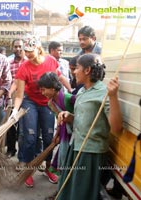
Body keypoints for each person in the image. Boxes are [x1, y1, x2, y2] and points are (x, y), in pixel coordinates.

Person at [56, 53, 123, 200]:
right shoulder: (81, 90)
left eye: (77, 68)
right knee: (68, 190)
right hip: (76, 148)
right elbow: (85, 119)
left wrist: (113, 97)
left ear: (87, 70)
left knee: (81, 194)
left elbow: (116, 128)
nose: (74, 71)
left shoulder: (104, 92)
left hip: (90, 153)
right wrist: (69, 117)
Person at [9, 35, 72, 187]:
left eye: (31, 51)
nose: (28, 54)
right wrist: (15, 111)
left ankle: (48, 166)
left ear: (38, 49)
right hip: (30, 101)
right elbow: (19, 94)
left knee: (49, 136)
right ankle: (29, 170)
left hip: (48, 103)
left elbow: (60, 77)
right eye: (26, 51)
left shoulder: (51, 60)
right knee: (30, 136)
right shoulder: (24, 67)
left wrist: (71, 90)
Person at [37, 72, 76, 172]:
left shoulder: (69, 98)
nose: (42, 93)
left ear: (52, 88)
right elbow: (59, 121)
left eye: (43, 89)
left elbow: (81, 115)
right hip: (64, 133)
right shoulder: (51, 103)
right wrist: (56, 135)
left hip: (76, 133)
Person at [5, 38, 26, 158]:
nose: (18, 49)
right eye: (15, 46)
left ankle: (23, 153)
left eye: (20, 46)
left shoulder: (28, 62)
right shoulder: (8, 62)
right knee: (11, 124)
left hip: (26, 96)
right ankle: (11, 149)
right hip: (12, 95)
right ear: (12, 48)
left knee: (23, 126)